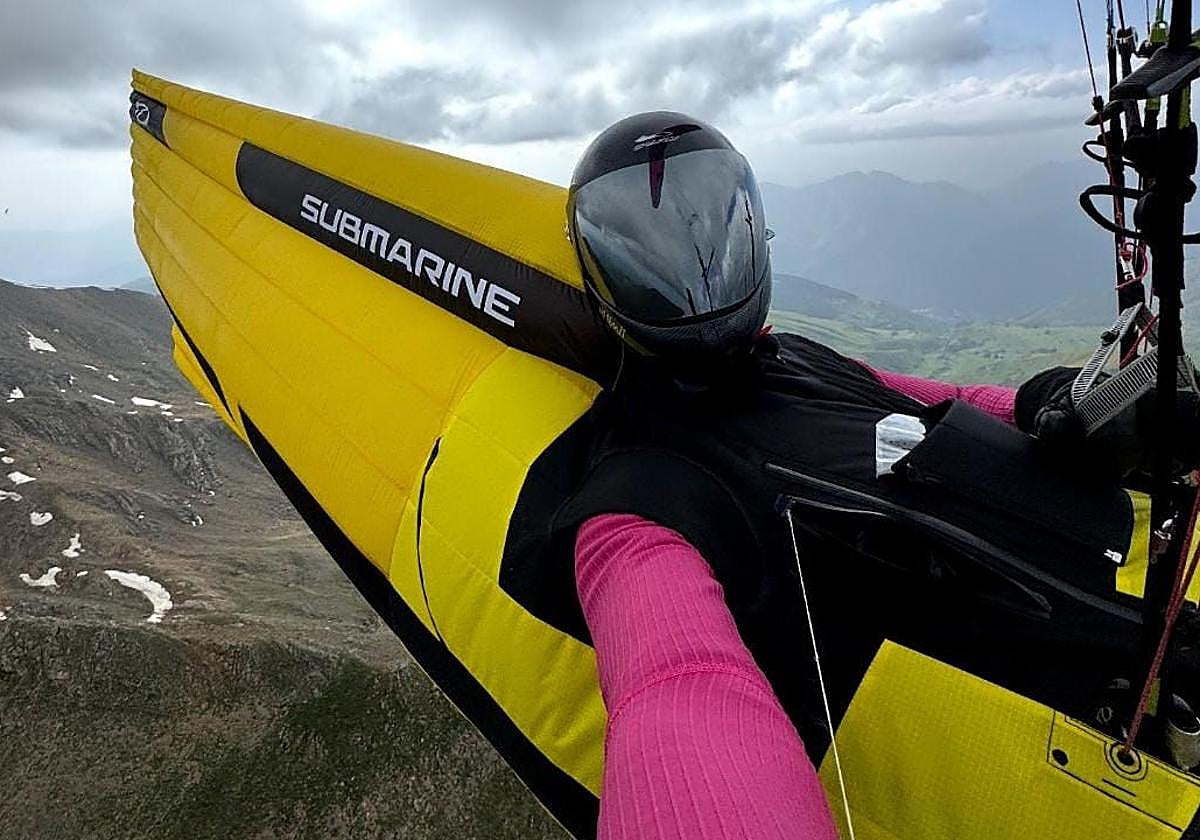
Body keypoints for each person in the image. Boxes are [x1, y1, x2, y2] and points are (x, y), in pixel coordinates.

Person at [561, 112, 1200, 840]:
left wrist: (1051, 406)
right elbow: (677, 686)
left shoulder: (790, 357)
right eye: (655, 253)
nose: (697, 273)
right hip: (1112, 738)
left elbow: (927, 399)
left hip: (1141, 616)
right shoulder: (631, 508)